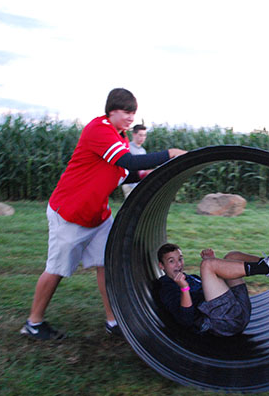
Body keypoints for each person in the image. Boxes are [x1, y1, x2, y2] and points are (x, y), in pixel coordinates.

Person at [20, 88, 187, 340]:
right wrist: (169, 155)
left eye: (134, 112)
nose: (131, 117)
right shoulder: (98, 130)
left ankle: (113, 321)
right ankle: (33, 323)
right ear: (111, 111)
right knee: (57, 269)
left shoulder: (119, 137)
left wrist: (146, 174)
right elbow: (127, 161)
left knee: (107, 265)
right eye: (126, 111)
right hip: (70, 213)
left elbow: (121, 173)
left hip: (98, 215)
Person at [157, 236, 269, 337]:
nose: (178, 264)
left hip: (236, 309)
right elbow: (185, 320)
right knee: (207, 265)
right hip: (224, 322)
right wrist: (184, 288)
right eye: (171, 261)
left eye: (180, 259)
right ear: (161, 266)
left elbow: (215, 290)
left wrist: (213, 263)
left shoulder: (189, 277)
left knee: (231, 256)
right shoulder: (166, 287)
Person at [121, 123, 152, 198]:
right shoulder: (127, 148)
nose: (143, 138)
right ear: (134, 134)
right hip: (129, 184)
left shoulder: (143, 150)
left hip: (139, 183)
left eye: (144, 135)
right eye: (140, 135)